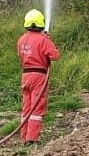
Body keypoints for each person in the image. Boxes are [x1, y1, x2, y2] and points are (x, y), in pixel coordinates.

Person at [17, 8, 59, 144]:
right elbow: (55, 55)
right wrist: (48, 40)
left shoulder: (21, 40)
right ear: (41, 23)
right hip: (39, 76)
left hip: (25, 75)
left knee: (26, 108)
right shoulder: (43, 39)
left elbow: (20, 56)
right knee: (37, 108)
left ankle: (24, 138)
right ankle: (32, 139)